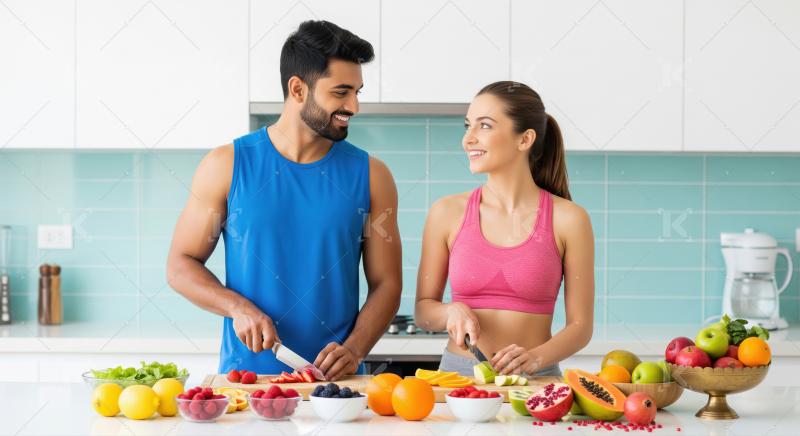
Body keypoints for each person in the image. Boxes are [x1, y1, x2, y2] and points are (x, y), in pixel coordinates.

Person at [166, 20, 402, 381]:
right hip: (247, 383)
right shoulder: (226, 165)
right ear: (297, 89)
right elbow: (180, 264)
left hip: (335, 387)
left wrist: (355, 349)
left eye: (357, 92)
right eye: (341, 92)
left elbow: (387, 284)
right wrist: (237, 307)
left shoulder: (372, 176)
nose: (353, 105)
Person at [415, 81, 594, 377]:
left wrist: (535, 359)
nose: (468, 139)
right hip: (457, 378)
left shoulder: (569, 219)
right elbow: (423, 312)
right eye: (467, 126)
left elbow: (581, 327)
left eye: (484, 126)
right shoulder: (445, 213)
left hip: (536, 382)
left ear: (524, 139)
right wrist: (451, 311)